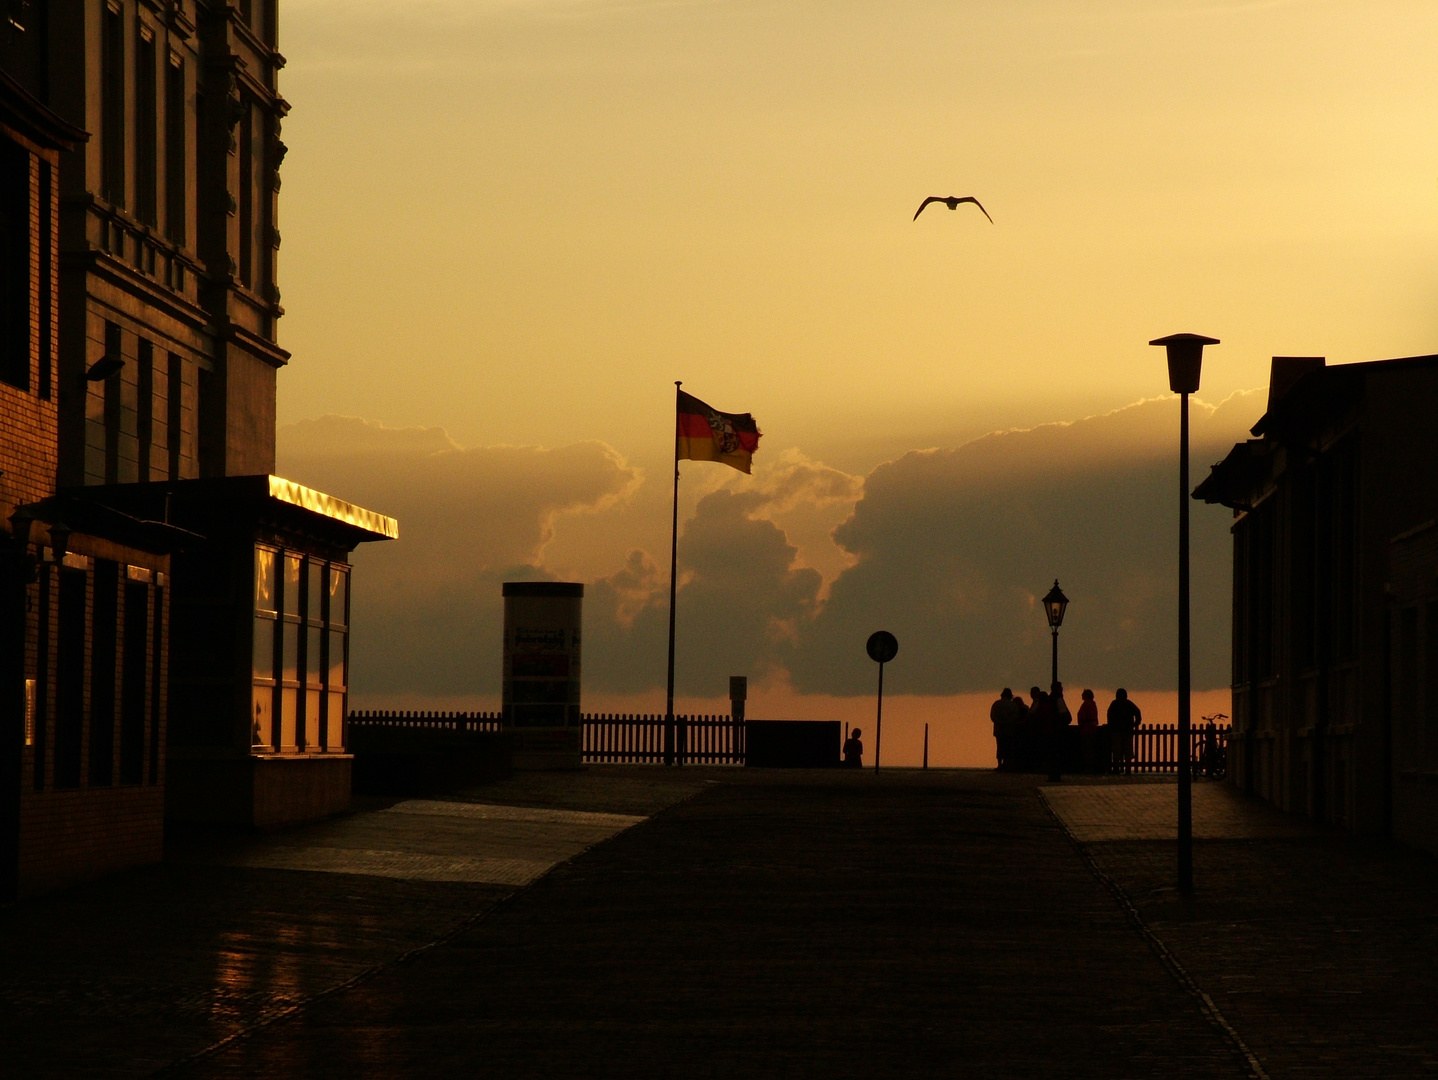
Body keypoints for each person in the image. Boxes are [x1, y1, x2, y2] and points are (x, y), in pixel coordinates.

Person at [1107, 688, 1142, 774]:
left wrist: (1111, 725)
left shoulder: (1114, 704)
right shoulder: (1129, 704)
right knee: (1128, 749)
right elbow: (1137, 712)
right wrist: (1136, 723)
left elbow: (1109, 715)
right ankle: (1128, 769)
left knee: (1116, 749)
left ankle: (1116, 768)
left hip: (1116, 731)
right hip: (1128, 730)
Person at [990, 688, 1015, 769]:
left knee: (1000, 746)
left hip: (999, 728)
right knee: (1008, 747)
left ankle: (999, 764)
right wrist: (1007, 722)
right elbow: (1015, 716)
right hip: (1009, 729)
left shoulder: (996, 704)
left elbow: (992, 716)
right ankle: (1007, 763)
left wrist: (999, 722)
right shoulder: (1013, 705)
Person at [1076, 689, 1099, 772]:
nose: (1081, 695)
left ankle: (1087, 766)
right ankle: (1091, 765)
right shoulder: (1093, 704)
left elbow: (1082, 715)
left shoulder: (1086, 704)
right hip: (1092, 728)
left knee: (1087, 748)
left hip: (1086, 729)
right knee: (1091, 747)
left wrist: (1081, 724)